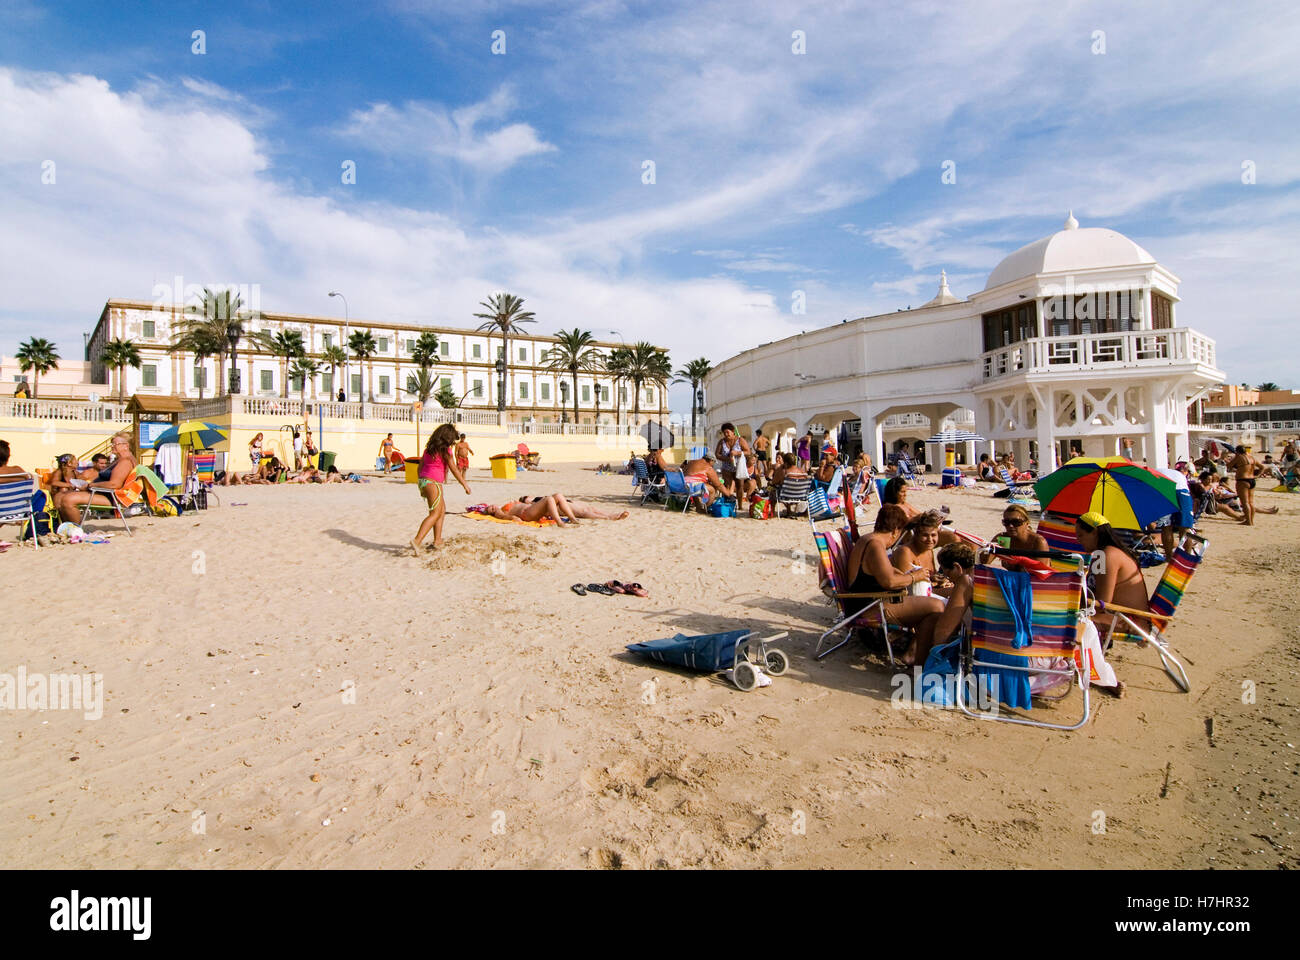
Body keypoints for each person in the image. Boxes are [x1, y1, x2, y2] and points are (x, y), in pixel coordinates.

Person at [843, 504, 945, 659]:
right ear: (896, 530)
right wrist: (914, 577)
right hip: (867, 608)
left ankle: (914, 653)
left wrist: (912, 575)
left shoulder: (868, 539)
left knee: (931, 612)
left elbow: (888, 573)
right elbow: (889, 582)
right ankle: (915, 657)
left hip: (866, 602)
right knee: (937, 606)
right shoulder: (875, 545)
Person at [1074, 511, 1149, 634]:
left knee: (1069, 620)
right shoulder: (1101, 554)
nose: (1078, 540)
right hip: (1119, 616)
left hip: (1129, 622)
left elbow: (1103, 603)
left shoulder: (1106, 555)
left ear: (1094, 532)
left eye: (1081, 535)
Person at [908, 542, 979, 668]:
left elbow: (945, 629)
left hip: (984, 644)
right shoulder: (998, 575)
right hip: (1019, 646)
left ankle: (920, 670)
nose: (949, 579)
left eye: (947, 573)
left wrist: (936, 656)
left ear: (957, 567)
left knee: (932, 620)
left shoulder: (966, 581)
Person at [412, 423, 471, 554]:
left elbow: (419, 467)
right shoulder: (446, 451)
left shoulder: (429, 449)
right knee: (435, 513)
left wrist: (421, 484)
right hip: (434, 482)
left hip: (424, 481)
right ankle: (417, 540)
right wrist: (464, 484)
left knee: (441, 509)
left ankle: (437, 540)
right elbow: (454, 469)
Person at [57, 434, 139, 522]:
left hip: (111, 496)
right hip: (102, 492)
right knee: (59, 496)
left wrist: (89, 485)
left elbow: (114, 484)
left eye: (115, 444)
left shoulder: (125, 462)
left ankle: (76, 530)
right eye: (112, 444)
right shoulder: (121, 460)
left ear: (126, 446)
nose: (112, 446)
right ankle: (65, 528)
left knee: (68, 499)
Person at [892, 511, 951, 598]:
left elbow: (928, 578)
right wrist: (935, 584)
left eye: (933, 535)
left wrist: (938, 581)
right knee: (956, 591)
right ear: (916, 534)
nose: (930, 540)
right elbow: (909, 587)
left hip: (925, 594)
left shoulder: (928, 550)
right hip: (910, 599)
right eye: (925, 535)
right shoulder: (905, 552)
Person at [715, 422, 754, 507]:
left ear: (733, 432)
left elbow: (748, 452)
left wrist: (737, 453)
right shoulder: (722, 442)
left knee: (740, 486)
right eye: (724, 433)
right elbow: (717, 454)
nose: (726, 434)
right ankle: (729, 505)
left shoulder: (740, 440)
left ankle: (740, 505)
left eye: (727, 432)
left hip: (739, 467)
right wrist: (727, 459)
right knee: (727, 486)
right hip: (726, 468)